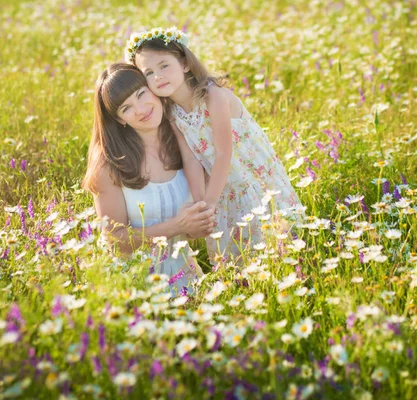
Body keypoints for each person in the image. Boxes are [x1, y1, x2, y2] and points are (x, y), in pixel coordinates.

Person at [125, 27, 303, 262]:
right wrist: (202, 205)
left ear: (185, 64)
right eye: (148, 72)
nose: (157, 76)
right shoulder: (172, 113)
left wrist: (210, 201)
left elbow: (223, 153)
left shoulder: (213, 96)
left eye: (164, 66)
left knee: (273, 241)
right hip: (222, 188)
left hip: (252, 179)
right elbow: (191, 159)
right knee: (238, 254)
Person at [81, 63, 215, 292]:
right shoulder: (109, 163)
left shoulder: (186, 140)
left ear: (154, 88)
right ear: (120, 119)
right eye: (126, 108)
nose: (141, 109)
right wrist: (176, 226)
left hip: (187, 280)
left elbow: (194, 228)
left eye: (142, 94)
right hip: (135, 283)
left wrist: (197, 225)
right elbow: (115, 241)